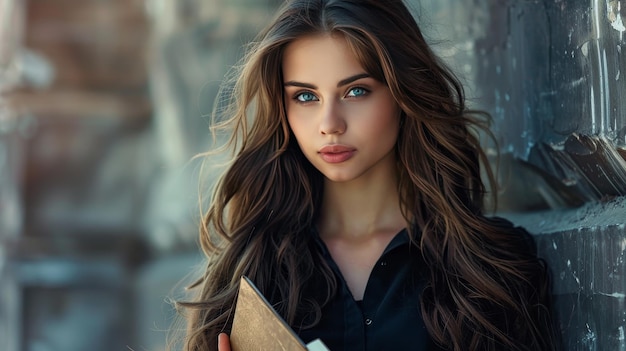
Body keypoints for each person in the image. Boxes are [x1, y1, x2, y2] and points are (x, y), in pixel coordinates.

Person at [174, 0, 560, 350]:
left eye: (356, 91)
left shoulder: (488, 267)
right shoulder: (249, 274)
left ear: (403, 92)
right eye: (306, 96)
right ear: (283, 107)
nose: (330, 124)